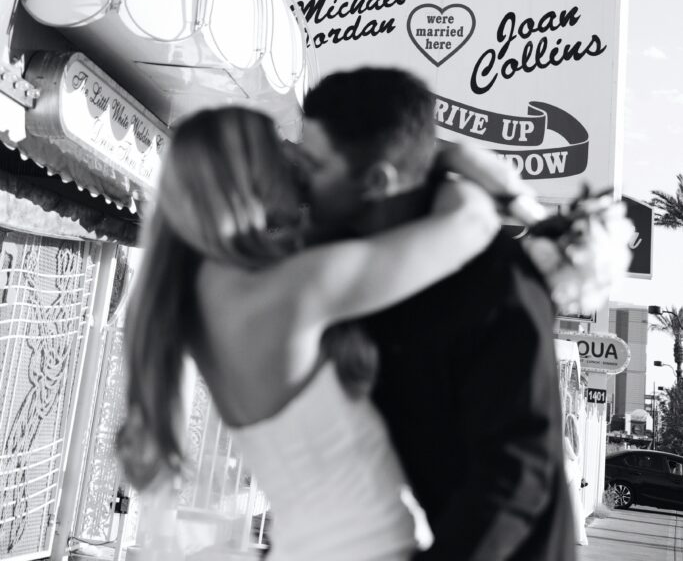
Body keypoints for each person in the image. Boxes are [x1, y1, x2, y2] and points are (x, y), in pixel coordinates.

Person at [117, 105, 505, 561]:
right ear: (250, 176)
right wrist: (433, 156)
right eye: (277, 150)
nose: (295, 159)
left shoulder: (202, 295)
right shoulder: (289, 290)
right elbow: (473, 222)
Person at [300, 66, 577, 561]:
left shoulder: (496, 283)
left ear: (378, 182)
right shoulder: (364, 264)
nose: (302, 182)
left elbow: (515, 480)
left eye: (316, 167)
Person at [563, 412, 589, 547]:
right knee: (575, 503)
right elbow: (577, 457)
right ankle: (577, 534)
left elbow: (571, 456)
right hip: (575, 472)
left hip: (567, 470)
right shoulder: (578, 440)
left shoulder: (565, 439)